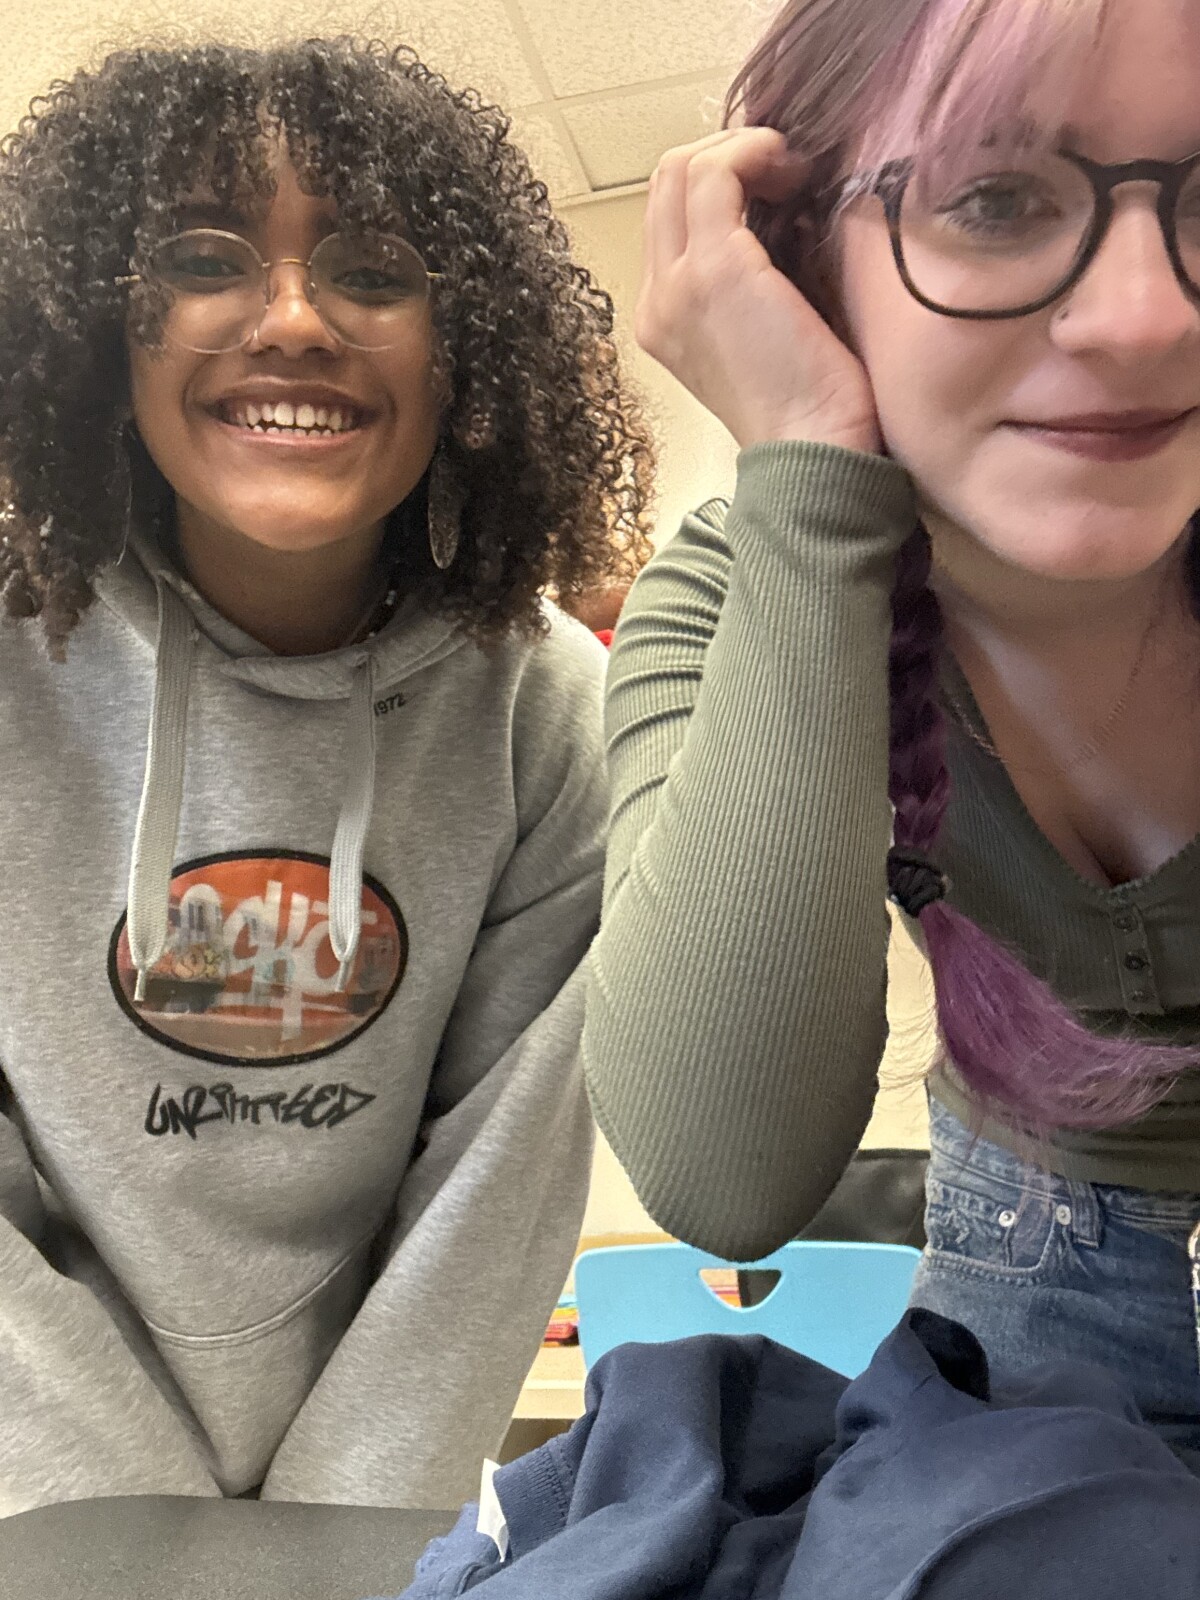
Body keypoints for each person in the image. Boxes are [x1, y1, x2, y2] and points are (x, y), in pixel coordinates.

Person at [0, 38, 652, 1516]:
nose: (293, 319)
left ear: (463, 352)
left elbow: (489, 1199)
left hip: (374, 1522)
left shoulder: (552, 709)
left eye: (372, 270)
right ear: (102, 335)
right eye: (201, 259)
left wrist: (330, 1553)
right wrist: (120, 1547)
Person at [583, 0, 1200, 1463]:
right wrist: (806, 474)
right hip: (1026, 1253)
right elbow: (725, 1176)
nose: (1145, 316)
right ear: (808, 264)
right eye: (996, 200)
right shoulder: (732, 592)